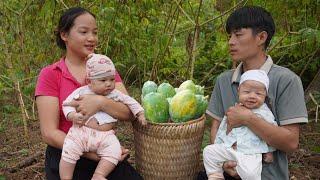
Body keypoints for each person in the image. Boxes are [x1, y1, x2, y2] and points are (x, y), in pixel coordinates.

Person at [201, 6, 308, 180]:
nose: (231, 42)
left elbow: (291, 143)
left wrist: (247, 118)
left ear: (261, 37)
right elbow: (216, 126)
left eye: (238, 34)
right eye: (230, 36)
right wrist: (223, 163)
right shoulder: (224, 80)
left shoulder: (286, 80)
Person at [35, 7, 143, 180]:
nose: (92, 38)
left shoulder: (105, 67)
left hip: (104, 155)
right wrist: (89, 153)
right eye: (84, 32)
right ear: (64, 35)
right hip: (67, 155)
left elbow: (129, 112)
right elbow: (49, 132)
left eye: (95, 32)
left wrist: (100, 102)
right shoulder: (51, 74)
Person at [59, 54, 147, 180]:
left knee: (115, 150)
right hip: (81, 132)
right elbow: (67, 104)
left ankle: (99, 175)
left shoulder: (115, 94)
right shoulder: (82, 92)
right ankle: (66, 177)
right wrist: (72, 115)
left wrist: (140, 113)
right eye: (103, 80)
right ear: (89, 81)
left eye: (111, 80)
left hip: (105, 136)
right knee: (69, 150)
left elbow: (130, 102)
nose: (109, 84)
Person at [203, 70, 277, 180]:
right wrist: (219, 144)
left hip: (251, 152)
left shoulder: (265, 113)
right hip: (231, 148)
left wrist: (270, 151)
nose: (252, 96)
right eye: (247, 92)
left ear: (265, 95)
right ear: (239, 91)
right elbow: (223, 127)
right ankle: (216, 175)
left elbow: (272, 132)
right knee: (209, 151)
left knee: (251, 174)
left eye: (258, 94)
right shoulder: (235, 109)